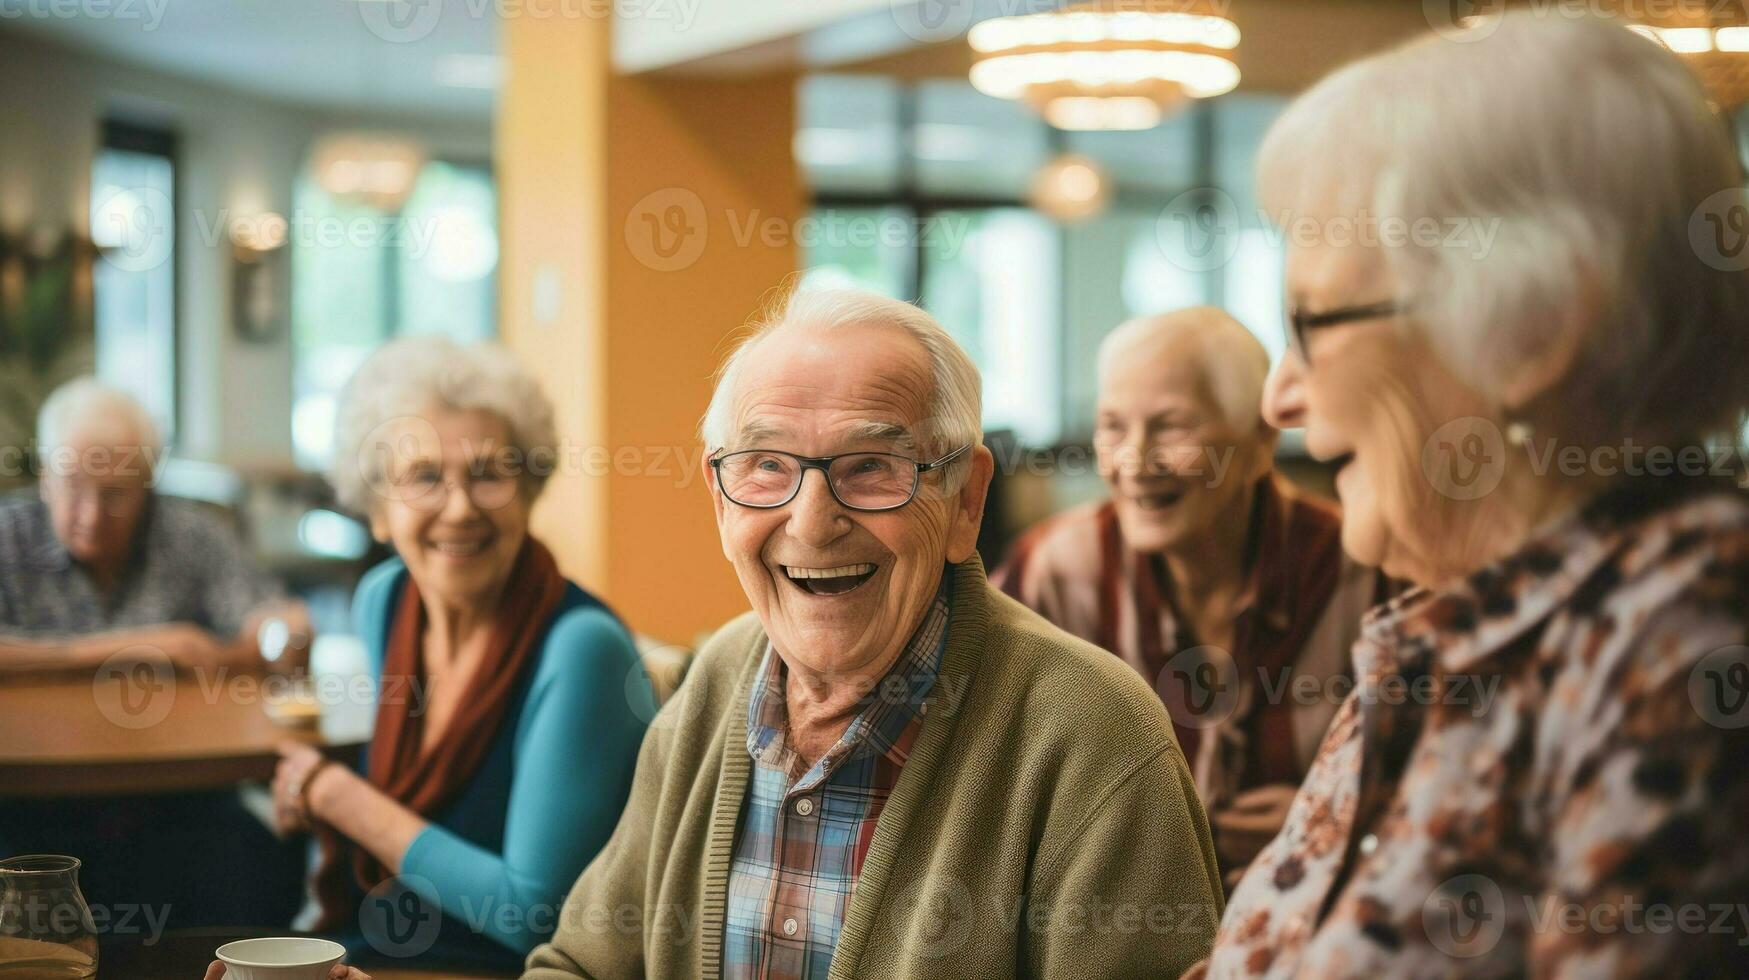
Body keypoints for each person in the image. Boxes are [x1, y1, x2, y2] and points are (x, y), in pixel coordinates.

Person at [1192, 13, 1749, 977]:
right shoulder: (1446, 627)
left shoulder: (1679, 637)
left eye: (1309, 325)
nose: (1278, 400)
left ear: (1534, 330)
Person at [521, 288, 1222, 979]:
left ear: (965, 501)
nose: (811, 521)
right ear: (718, 496)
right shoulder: (716, 679)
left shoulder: (1094, 737)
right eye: (768, 465)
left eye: (870, 468)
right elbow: (581, 964)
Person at [266, 337, 655, 972]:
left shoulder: (583, 649)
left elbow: (533, 916)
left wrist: (340, 798)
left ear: (529, 494)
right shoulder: (383, 601)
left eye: (488, 474)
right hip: (380, 949)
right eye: (424, 477)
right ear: (378, 512)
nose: (460, 508)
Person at [993, 308, 1377, 887]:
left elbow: (1457, 777)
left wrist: (1337, 817)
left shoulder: (1365, 572)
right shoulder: (1054, 572)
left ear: (1260, 441)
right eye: (1113, 427)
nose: (1134, 461)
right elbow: (981, 764)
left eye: (1172, 427)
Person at [0, 377, 308, 673]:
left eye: (115, 493)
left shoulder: (191, 533)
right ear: (45, 479)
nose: (92, 516)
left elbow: (269, 618)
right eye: (74, 487)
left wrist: (282, 636)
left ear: (147, 487)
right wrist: (138, 649)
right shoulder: (8, 535)